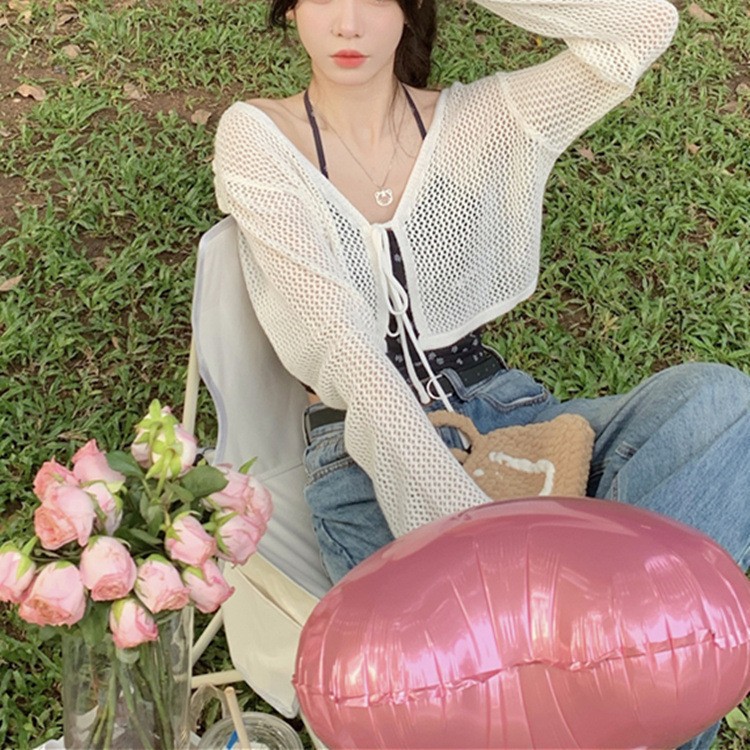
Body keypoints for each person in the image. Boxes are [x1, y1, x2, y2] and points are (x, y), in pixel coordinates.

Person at [212, 0, 749, 746]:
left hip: (505, 416)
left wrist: (530, 581)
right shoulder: (256, 136)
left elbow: (640, 28)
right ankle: (605, 637)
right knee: (547, 675)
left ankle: (600, 632)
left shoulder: (477, 123)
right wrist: (488, 545)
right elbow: (348, 355)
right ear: (293, 7)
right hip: (366, 457)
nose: (347, 24)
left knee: (722, 404)